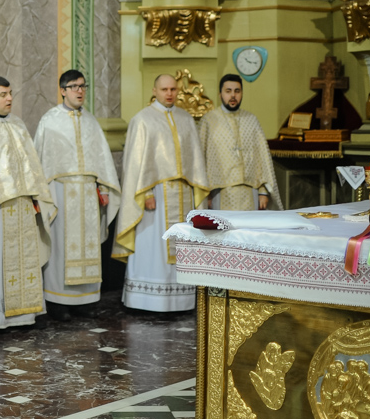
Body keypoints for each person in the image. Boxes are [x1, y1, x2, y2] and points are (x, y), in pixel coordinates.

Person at [0, 76, 56, 329]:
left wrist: (36, 196)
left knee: (25, 261)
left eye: (10, 93)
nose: (9, 99)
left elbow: (31, 165)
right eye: (3, 95)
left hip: (23, 206)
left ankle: (24, 315)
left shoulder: (18, 124)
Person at [115, 74, 208, 312]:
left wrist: (198, 194)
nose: (169, 93)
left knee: (182, 245)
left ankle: (181, 300)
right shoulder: (142, 120)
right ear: (154, 90)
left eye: (173, 89)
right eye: (164, 89)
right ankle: (147, 300)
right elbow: (135, 164)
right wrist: (146, 193)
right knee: (153, 245)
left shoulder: (186, 119)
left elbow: (196, 161)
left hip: (184, 194)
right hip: (155, 195)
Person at [34, 70, 120, 321]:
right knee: (61, 246)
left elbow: (101, 161)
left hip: (88, 195)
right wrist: (42, 197)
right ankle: (58, 301)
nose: (80, 91)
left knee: (88, 246)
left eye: (83, 86)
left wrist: (104, 189)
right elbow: (40, 161)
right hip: (61, 193)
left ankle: (85, 300)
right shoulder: (49, 121)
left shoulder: (91, 122)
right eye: (74, 86)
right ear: (62, 90)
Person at [199, 74, 283, 211]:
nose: (233, 95)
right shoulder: (209, 121)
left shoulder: (251, 120)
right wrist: (205, 193)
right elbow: (200, 158)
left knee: (249, 225)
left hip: (250, 190)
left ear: (242, 93)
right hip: (219, 191)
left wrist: (263, 192)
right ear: (220, 94)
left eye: (237, 91)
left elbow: (262, 159)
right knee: (223, 225)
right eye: (228, 91)